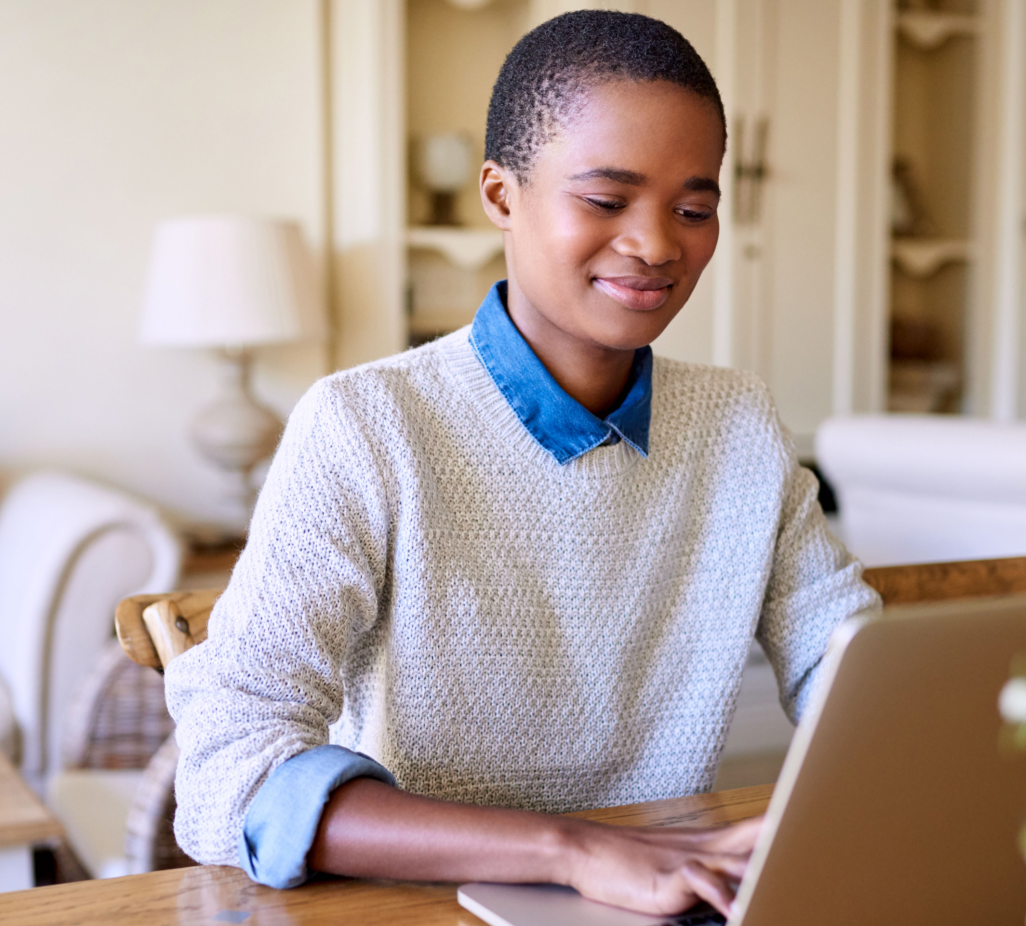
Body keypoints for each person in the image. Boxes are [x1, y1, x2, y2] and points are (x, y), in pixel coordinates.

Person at [163, 11, 878, 919]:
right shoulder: (364, 426)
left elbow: (853, 672)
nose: (658, 245)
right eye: (606, 200)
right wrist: (573, 850)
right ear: (500, 196)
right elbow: (229, 772)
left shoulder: (739, 424)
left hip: (657, 899)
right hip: (414, 906)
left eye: (694, 209)